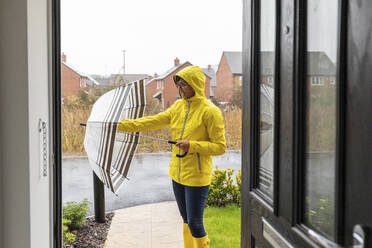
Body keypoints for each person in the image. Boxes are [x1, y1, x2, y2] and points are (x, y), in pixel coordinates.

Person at [118, 65, 226, 248]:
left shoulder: (210, 111)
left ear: (195, 84)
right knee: (185, 220)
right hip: (177, 173)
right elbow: (152, 121)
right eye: (178, 85)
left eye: (184, 84)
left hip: (197, 177)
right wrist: (121, 125)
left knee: (195, 222)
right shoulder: (178, 106)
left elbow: (220, 147)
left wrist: (191, 145)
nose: (180, 89)